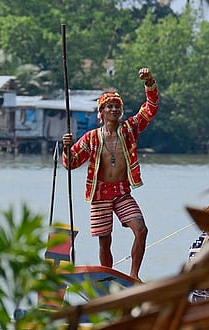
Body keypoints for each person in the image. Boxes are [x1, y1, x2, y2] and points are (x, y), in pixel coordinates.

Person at [62, 67, 158, 281]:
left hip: (122, 192)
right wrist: (66, 148)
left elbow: (150, 109)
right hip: (99, 194)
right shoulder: (91, 138)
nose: (114, 110)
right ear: (102, 112)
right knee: (105, 241)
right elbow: (71, 163)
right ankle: (107, 278)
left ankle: (134, 275)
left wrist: (149, 82)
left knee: (141, 230)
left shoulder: (129, 129)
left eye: (117, 107)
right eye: (109, 107)